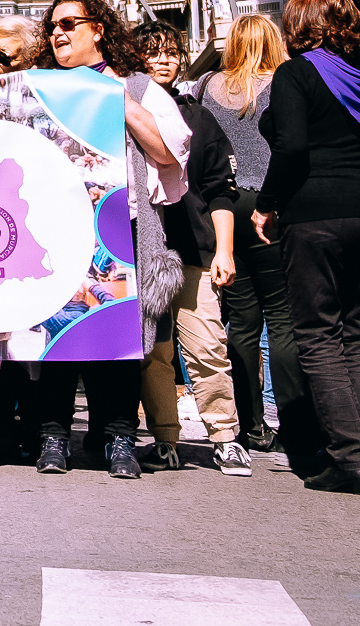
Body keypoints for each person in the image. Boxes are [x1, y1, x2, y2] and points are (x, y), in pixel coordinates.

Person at [253, 0, 360, 495]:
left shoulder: (296, 73)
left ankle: (349, 459)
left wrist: (266, 203)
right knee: (358, 331)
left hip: (317, 213)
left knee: (318, 333)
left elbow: (292, 146)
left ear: (300, 25)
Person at [30, 0, 183, 480]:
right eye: (52, 26)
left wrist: (117, 99)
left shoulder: (137, 87)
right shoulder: (40, 87)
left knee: (115, 340)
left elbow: (167, 152)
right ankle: (53, 438)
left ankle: (119, 436)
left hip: (118, 230)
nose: (58, 33)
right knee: (57, 336)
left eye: (68, 23)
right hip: (53, 233)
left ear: (98, 30)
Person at [190, 12, 307, 465]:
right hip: (268, 203)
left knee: (240, 320)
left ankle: (250, 425)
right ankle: (294, 423)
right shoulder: (284, 82)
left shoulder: (204, 87)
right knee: (281, 316)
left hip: (222, 204)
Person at [141, 33, 247, 475]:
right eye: (153, 53)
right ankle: (165, 437)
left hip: (194, 247)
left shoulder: (198, 117)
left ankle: (225, 437)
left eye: (171, 54)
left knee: (206, 345)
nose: (164, 61)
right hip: (142, 251)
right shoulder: (124, 113)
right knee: (153, 351)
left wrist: (225, 249)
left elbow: (221, 189)